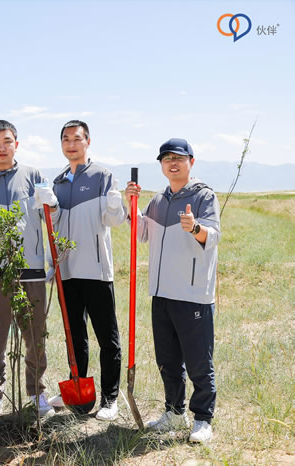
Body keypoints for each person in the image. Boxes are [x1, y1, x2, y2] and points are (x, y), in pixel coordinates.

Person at [125, 138, 220, 444]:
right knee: (167, 359)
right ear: (162, 165)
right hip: (162, 294)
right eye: (166, 158)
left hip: (193, 294)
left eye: (178, 157)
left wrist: (194, 227)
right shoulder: (157, 200)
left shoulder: (204, 196)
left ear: (191, 161)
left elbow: (213, 236)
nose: (172, 162)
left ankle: (203, 419)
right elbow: (140, 234)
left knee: (198, 361)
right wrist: (132, 207)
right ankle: (173, 412)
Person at [0, 120, 53, 420]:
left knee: (35, 334)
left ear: (16, 143)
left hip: (30, 269)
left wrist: (51, 204)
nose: (1, 147)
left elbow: (49, 213)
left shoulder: (33, 175)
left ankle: (36, 391)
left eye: (7, 141)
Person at [45, 120, 126, 420]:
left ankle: (110, 399)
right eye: (65, 139)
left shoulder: (103, 176)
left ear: (87, 142)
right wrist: (51, 210)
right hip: (67, 271)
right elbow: (54, 226)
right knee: (74, 334)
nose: (71, 144)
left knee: (108, 337)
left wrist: (117, 205)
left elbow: (114, 221)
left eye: (76, 139)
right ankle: (78, 389)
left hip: (96, 270)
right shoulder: (58, 182)